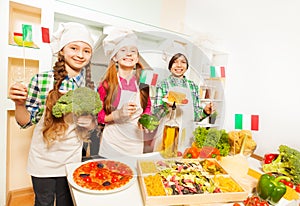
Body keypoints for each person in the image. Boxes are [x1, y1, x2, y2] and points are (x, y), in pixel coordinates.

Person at [8, 22, 97, 206]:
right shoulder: (42, 80)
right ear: (62, 51)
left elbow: (91, 126)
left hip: (72, 160)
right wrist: (19, 104)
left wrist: (88, 122)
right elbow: (25, 122)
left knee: (68, 202)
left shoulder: (88, 85)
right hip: (43, 161)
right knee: (43, 202)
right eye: (74, 48)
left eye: (86, 50)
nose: (80, 55)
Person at [97, 28, 151, 158]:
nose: (128, 54)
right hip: (113, 142)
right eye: (123, 50)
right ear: (115, 57)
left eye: (133, 51)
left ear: (137, 58)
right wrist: (117, 114)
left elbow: (147, 106)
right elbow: (99, 117)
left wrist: (146, 119)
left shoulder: (143, 82)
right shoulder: (106, 84)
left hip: (135, 143)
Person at [152, 52, 213, 153]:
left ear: (187, 66)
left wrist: (206, 112)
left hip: (187, 135)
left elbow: (196, 117)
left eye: (183, 62)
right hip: (167, 133)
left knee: (183, 165)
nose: (179, 65)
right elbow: (155, 116)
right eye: (175, 62)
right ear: (170, 65)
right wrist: (165, 106)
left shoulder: (193, 86)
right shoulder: (163, 84)